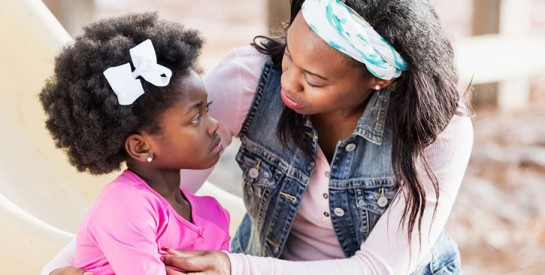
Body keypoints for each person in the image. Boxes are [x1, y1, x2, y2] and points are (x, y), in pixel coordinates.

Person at [44, 0, 473, 274]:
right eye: (289, 55)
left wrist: (235, 267)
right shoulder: (250, 77)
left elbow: (380, 268)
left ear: (378, 81)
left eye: (314, 79)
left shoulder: (438, 128)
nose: (287, 82)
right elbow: (145, 198)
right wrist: (60, 269)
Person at [39, 12, 230, 275]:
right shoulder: (126, 205)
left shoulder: (214, 216)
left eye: (207, 108)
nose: (214, 124)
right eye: (196, 118)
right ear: (141, 147)